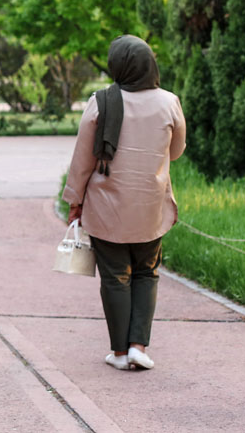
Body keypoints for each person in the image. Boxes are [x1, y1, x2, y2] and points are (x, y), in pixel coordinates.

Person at [61, 35, 186, 371]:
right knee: (147, 272)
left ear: (117, 65)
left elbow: (82, 159)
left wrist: (74, 201)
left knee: (115, 275)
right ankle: (138, 347)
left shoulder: (101, 101)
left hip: (106, 207)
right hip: (151, 205)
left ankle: (118, 354)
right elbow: (175, 151)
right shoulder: (170, 102)